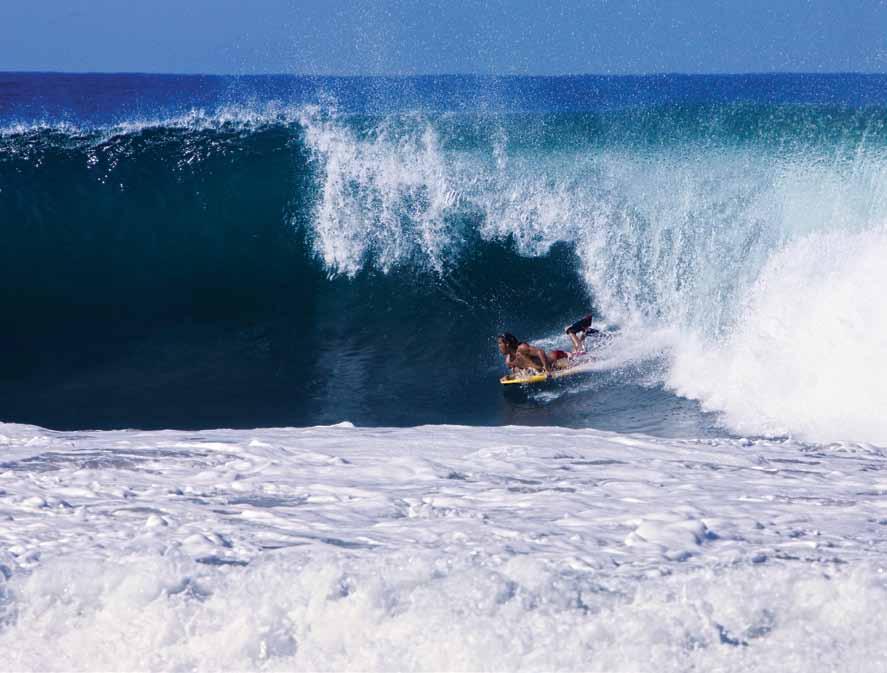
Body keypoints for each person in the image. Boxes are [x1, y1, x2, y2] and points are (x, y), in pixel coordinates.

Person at [497, 333, 571, 374]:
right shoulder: (508, 361)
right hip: (543, 368)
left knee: (575, 361)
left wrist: (547, 369)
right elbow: (517, 368)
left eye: (500, 343)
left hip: (557, 358)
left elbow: (540, 352)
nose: (499, 346)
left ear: (507, 344)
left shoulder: (521, 349)